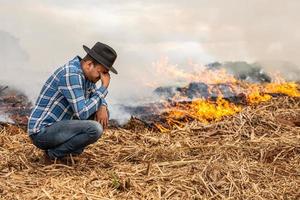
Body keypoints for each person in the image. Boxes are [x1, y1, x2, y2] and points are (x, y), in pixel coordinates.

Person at [27, 42, 118, 162]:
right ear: (89, 64)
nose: (101, 78)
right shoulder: (71, 74)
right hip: (43, 132)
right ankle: (53, 155)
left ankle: (66, 152)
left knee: (100, 115)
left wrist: (103, 106)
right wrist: (104, 87)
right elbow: (82, 113)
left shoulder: (88, 76)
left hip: (59, 128)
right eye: (101, 73)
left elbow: (95, 98)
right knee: (94, 128)